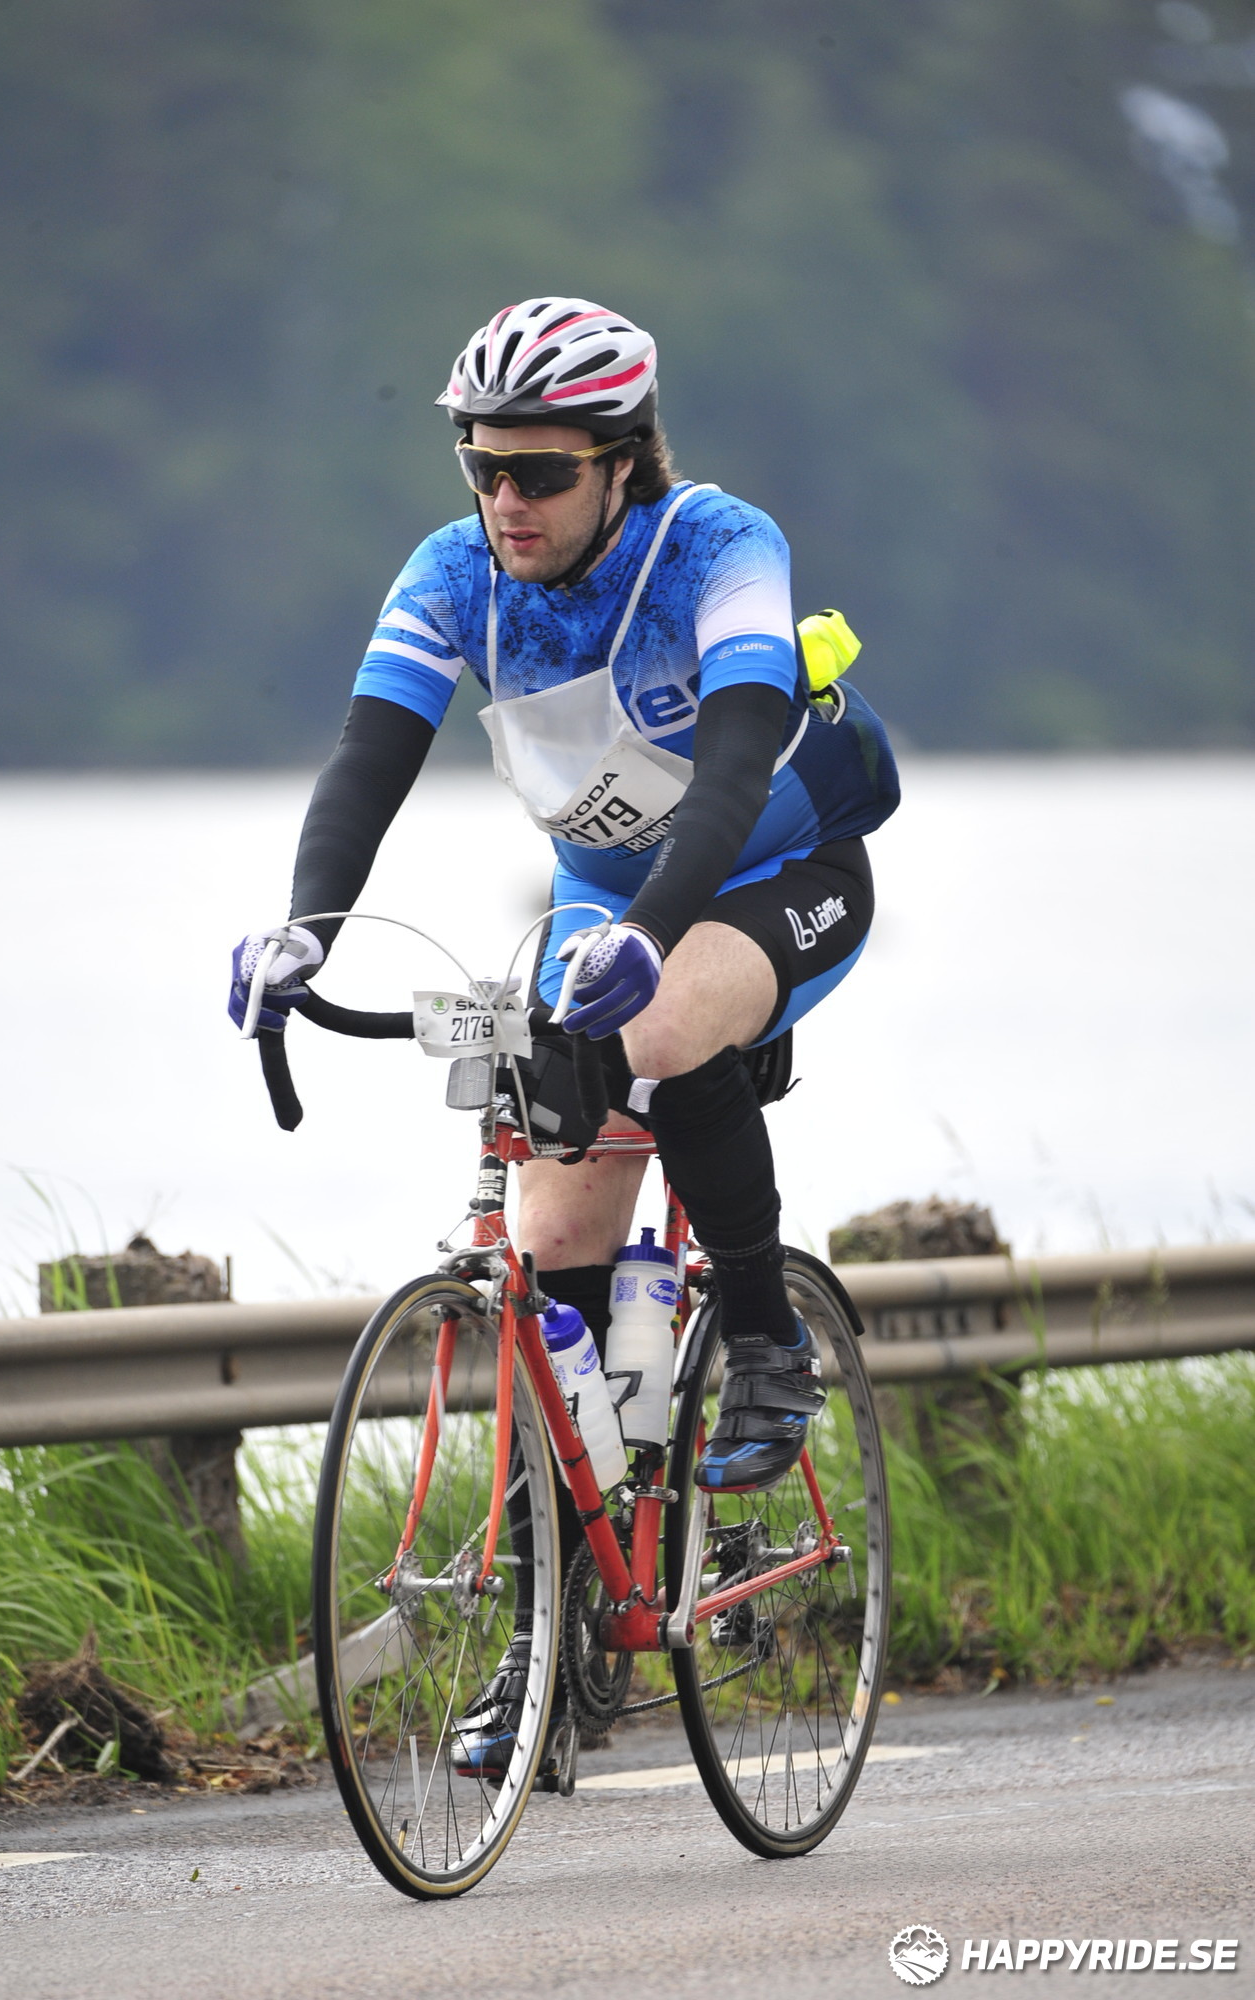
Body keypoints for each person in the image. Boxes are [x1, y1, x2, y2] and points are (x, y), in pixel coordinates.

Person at [230, 296, 899, 1773]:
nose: (506, 500)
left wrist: (652, 936)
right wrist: (305, 926)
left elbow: (734, 767)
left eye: (539, 472)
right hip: (607, 898)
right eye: (483, 468)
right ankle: (552, 1641)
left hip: (777, 869)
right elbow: (370, 757)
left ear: (622, 460)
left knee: (655, 1023)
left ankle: (768, 1339)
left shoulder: (716, 545)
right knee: (552, 1250)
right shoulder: (455, 571)